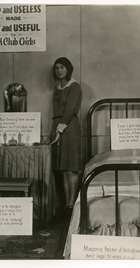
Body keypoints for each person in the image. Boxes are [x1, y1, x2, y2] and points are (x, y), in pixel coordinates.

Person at [50, 57, 82, 212]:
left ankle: (73, 204)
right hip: (57, 126)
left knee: (71, 168)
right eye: (57, 68)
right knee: (63, 168)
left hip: (69, 128)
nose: (59, 70)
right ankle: (66, 206)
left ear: (68, 69)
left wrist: (59, 130)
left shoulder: (74, 86)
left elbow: (69, 111)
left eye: (62, 67)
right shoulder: (57, 87)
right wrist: (55, 130)